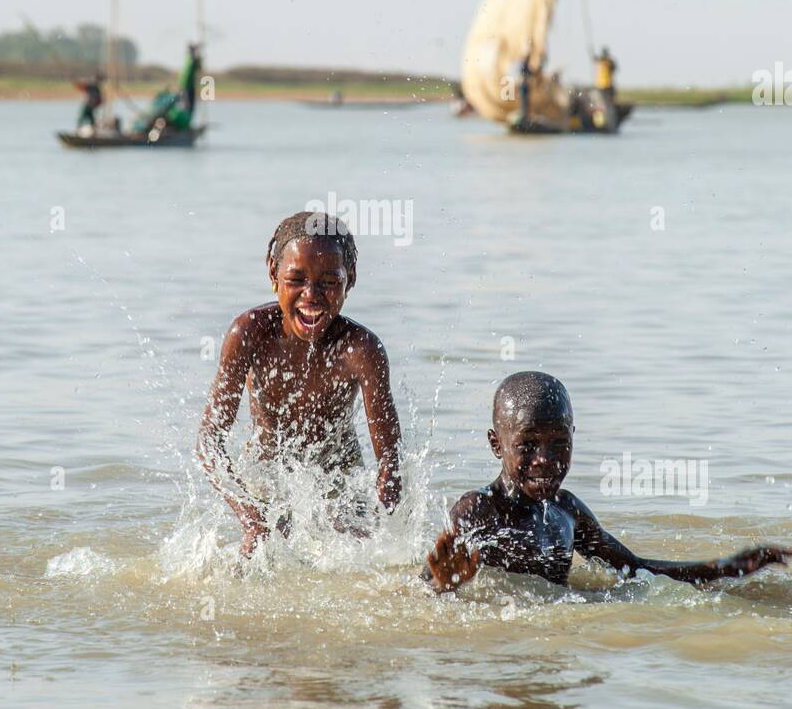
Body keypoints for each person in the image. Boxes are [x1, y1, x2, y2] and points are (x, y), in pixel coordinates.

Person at [423, 371, 790, 593]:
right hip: (506, 642)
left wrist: (728, 568)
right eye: (528, 444)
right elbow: (422, 587)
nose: (545, 459)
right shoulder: (480, 510)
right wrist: (444, 586)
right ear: (496, 444)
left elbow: (638, 572)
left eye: (560, 443)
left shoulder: (567, 512)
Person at [197, 211, 402, 556]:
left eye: (329, 282)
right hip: (267, 480)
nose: (311, 295)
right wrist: (250, 516)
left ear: (350, 279)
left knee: (350, 561)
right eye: (296, 279)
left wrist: (376, 526)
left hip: (339, 485)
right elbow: (209, 442)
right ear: (273, 274)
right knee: (254, 560)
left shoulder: (360, 350)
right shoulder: (249, 334)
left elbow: (390, 462)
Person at [179, 43, 202, 117]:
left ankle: (188, 122)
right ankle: (185, 122)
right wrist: (198, 56)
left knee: (189, 106)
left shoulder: (191, 58)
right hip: (186, 86)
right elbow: (197, 66)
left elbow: (198, 67)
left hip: (189, 86)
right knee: (187, 106)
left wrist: (199, 56)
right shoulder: (190, 59)